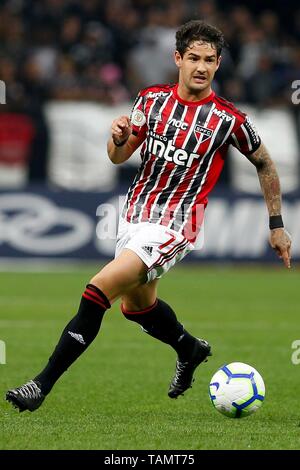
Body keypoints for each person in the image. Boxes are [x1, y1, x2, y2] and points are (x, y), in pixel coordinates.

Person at [6, 20, 291, 412]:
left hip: (177, 225)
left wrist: (277, 225)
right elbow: (118, 155)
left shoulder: (228, 119)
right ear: (178, 58)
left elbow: (265, 164)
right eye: (194, 58)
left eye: (210, 60)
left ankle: (40, 386)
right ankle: (190, 349)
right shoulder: (151, 100)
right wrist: (119, 137)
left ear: (219, 64)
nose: (201, 67)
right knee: (136, 307)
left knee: (98, 289)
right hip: (134, 216)